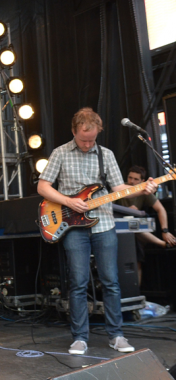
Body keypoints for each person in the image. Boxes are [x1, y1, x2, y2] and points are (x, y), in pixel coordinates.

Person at [37, 108, 157, 356]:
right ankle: (80, 338)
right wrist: (69, 202)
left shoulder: (106, 154)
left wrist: (143, 189)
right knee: (78, 283)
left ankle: (116, 335)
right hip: (72, 225)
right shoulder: (60, 153)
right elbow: (43, 186)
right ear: (74, 131)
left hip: (103, 223)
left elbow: (119, 188)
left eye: (92, 139)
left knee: (111, 281)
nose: (87, 143)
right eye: (83, 139)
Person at [116, 166, 176, 284]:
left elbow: (161, 209)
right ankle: (162, 244)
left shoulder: (145, 191)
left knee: (137, 261)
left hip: (136, 232)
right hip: (118, 230)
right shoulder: (119, 188)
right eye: (130, 178)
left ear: (142, 181)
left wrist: (165, 230)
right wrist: (125, 210)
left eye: (136, 179)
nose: (132, 181)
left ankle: (136, 293)